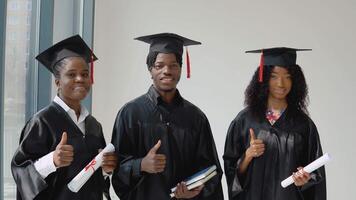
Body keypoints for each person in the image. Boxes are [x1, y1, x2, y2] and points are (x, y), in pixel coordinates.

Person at [111, 33, 224, 200]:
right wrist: (141, 165)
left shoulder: (196, 117)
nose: (167, 71)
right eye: (159, 65)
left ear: (181, 68)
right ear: (150, 69)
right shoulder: (130, 114)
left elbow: (211, 170)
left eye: (173, 65)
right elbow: (117, 169)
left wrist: (194, 192)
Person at [11, 35, 117, 200]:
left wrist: (104, 169)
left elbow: (93, 176)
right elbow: (21, 173)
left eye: (84, 74)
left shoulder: (93, 125)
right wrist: (52, 161)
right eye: (72, 74)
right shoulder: (42, 122)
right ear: (58, 82)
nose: (80, 79)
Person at [223, 47, 326, 200]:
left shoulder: (304, 125)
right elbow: (231, 171)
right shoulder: (245, 120)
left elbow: (316, 175)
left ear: (295, 81)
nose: (280, 83)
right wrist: (248, 155)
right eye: (274, 76)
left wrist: (304, 180)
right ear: (263, 79)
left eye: (288, 77)